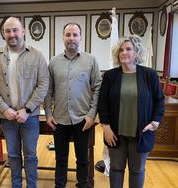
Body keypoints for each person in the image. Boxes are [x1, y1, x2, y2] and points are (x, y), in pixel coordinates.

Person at [0, 17, 49, 188]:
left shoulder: (37, 55)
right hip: (7, 117)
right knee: (13, 155)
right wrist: (4, 109)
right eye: (7, 31)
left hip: (30, 117)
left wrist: (27, 110)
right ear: (3, 34)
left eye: (15, 30)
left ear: (23, 32)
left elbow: (43, 84)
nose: (11, 34)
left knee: (30, 155)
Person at [97, 35, 165, 188]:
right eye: (121, 50)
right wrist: (106, 127)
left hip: (141, 133)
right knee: (115, 168)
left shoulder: (149, 75)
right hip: (115, 134)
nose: (124, 52)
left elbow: (159, 100)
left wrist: (155, 122)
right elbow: (103, 103)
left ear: (137, 53)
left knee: (137, 170)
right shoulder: (110, 76)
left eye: (128, 49)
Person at [44, 23, 102, 188]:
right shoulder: (54, 62)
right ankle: (59, 185)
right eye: (68, 34)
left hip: (83, 119)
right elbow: (48, 90)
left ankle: (83, 184)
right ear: (63, 37)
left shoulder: (90, 60)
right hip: (59, 119)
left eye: (75, 35)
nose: (71, 38)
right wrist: (48, 114)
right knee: (60, 158)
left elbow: (98, 87)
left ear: (80, 37)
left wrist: (92, 115)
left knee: (83, 158)